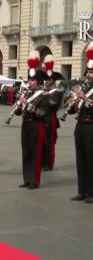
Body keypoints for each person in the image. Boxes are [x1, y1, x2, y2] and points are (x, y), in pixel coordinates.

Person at [15, 51, 50, 189]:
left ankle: (34, 181)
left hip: (37, 126)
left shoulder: (44, 95)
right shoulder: (27, 93)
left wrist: (28, 104)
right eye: (29, 80)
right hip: (26, 125)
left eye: (33, 81)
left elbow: (41, 112)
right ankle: (27, 179)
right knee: (26, 152)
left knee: (35, 154)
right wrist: (18, 105)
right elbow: (19, 113)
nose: (30, 83)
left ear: (39, 82)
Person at [68, 42, 93, 203]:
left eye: (92, 72)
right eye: (88, 72)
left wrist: (85, 99)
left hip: (91, 127)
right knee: (81, 159)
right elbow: (72, 111)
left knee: (91, 160)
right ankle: (82, 191)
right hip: (80, 126)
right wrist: (72, 102)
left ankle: (91, 193)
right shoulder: (83, 87)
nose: (89, 75)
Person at [41, 55, 65, 171]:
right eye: (45, 79)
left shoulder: (58, 91)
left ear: (53, 80)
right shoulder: (42, 90)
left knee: (49, 142)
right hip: (41, 117)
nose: (46, 81)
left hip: (50, 118)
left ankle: (49, 163)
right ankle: (41, 161)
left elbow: (54, 104)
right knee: (41, 141)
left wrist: (44, 97)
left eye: (49, 79)